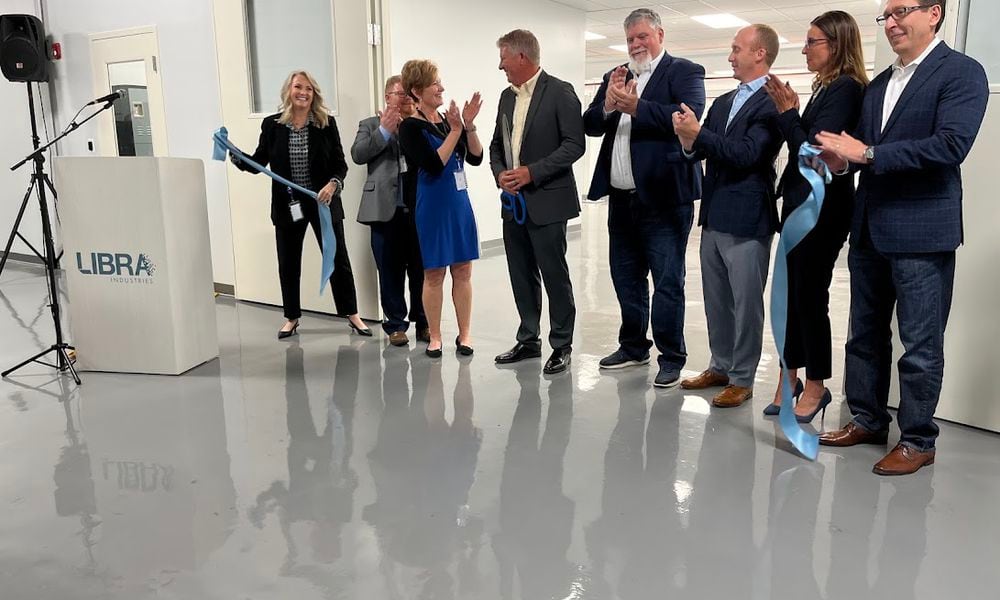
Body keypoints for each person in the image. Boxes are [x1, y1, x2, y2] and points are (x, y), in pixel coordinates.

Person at [815, 0, 989, 475]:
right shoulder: (878, 86)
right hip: (870, 227)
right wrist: (842, 160)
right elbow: (864, 153)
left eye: (901, 12)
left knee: (920, 344)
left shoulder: (961, 73)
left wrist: (866, 152)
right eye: (885, 16)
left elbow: (950, 145)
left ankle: (918, 439)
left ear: (934, 13)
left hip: (922, 232)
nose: (891, 23)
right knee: (863, 336)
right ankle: (868, 420)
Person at [583, 8, 706, 388]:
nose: (636, 44)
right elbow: (589, 124)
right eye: (631, 39)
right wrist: (608, 102)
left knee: (668, 281)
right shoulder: (615, 76)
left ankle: (672, 357)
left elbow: (688, 115)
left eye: (643, 37)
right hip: (621, 199)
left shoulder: (685, 72)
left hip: (665, 199)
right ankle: (634, 346)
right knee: (625, 277)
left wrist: (635, 106)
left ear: (660, 35)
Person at [760, 11, 868, 421]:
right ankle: (789, 376)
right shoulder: (827, 89)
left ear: (836, 45)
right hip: (802, 204)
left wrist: (790, 114)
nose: (805, 49)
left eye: (812, 42)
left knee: (809, 297)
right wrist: (793, 112)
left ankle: (817, 384)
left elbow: (813, 154)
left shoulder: (847, 89)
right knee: (791, 295)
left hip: (822, 208)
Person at [673, 25, 783, 408]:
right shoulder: (723, 102)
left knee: (745, 302)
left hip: (749, 218)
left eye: (737, 49)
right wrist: (689, 140)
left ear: (760, 54)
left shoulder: (773, 103)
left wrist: (699, 134)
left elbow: (748, 154)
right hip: (714, 214)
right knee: (717, 299)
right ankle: (720, 365)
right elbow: (703, 151)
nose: (730, 56)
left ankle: (742, 377)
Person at [233, 70, 371, 339]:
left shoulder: (325, 123)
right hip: (288, 204)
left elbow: (340, 165)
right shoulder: (272, 125)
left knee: (337, 259)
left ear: (314, 93)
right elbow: (259, 162)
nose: (303, 92)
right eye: (298, 87)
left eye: (308, 88)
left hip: (323, 203)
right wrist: (238, 157)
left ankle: (352, 315)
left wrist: (333, 184)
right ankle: (292, 317)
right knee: (288, 262)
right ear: (289, 90)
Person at [489, 29, 585, 375]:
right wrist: (501, 173)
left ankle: (562, 344)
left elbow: (575, 145)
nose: (500, 66)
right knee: (520, 273)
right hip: (513, 203)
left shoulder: (560, 92)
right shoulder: (506, 97)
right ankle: (528, 338)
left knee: (554, 274)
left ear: (521, 57)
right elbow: (496, 146)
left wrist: (532, 173)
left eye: (503, 58)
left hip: (548, 200)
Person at [398, 60, 484, 358]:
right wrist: (455, 130)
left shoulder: (450, 122)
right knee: (433, 273)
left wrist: (468, 127)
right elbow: (434, 164)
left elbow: (475, 157)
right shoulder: (410, 127)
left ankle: (466, 333)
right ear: (417, 90)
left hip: (458, 202)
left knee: (463, 270)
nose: (442, 88)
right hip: (432, 205)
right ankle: (434, 336)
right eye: (435, 84)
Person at [351, 75, 430, 347]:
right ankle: (395, 325)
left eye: (409, 94)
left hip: (418, 209)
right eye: (399, 94)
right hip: (384, 211)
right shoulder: (370, 125)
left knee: (421, 270)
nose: (405, 98)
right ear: (387, 97)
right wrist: (384, 131)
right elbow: (358, 154)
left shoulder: (419, 124)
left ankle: (424, 322)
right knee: (389, 270)